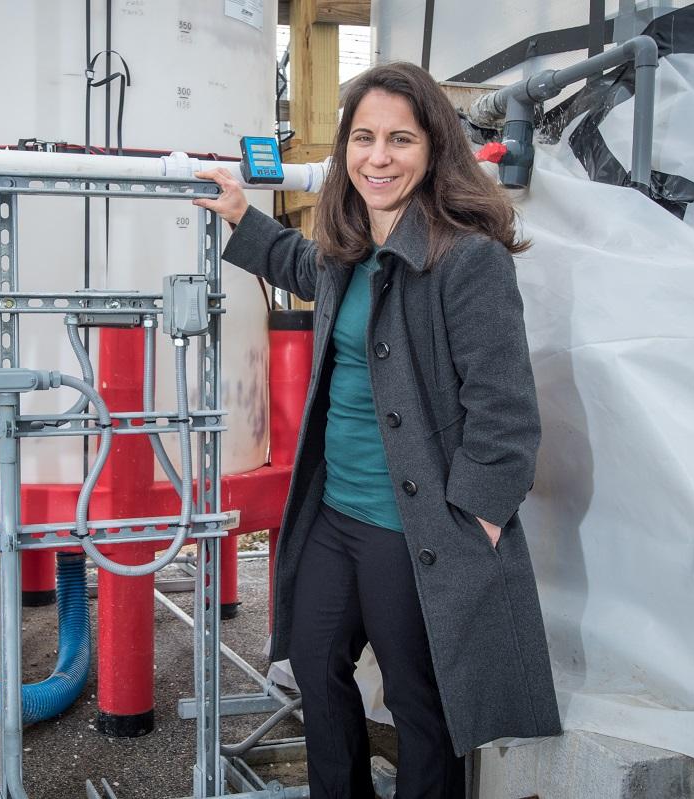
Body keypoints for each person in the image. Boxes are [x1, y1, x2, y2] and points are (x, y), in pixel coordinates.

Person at [193, 62, 561, 799]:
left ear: (434, 148)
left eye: (400, 139)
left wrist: (478, 516)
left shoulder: (469, 260)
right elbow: (304, 266)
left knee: (418, 700)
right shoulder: (349, 244)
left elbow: (506, 409)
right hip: (336, 512)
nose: (378, 157)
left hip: (412, 525)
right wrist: (240, 214)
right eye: (363, 138)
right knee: (315, 664)